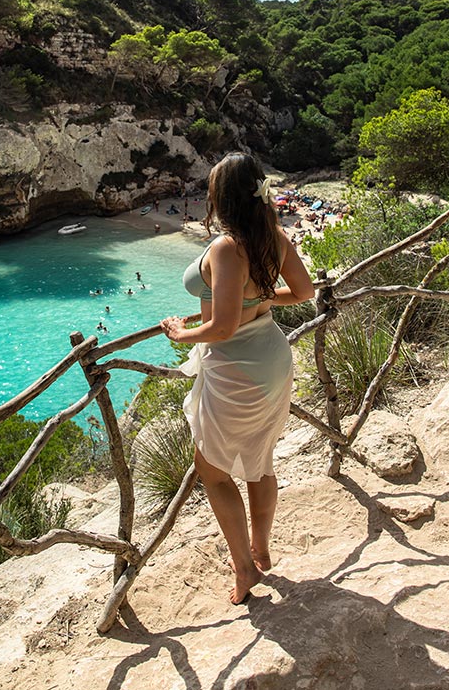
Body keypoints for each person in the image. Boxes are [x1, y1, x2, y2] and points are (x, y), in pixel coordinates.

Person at [161, 153, 314, 605]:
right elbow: (304, 292)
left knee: (213, 472)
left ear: (220, 197)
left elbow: (224, 328)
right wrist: (255, 303)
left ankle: (244, 567)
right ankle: (261, 548)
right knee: (259, 459)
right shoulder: (273, 236)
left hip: (235, 367)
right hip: (270, 354)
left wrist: (180, 332)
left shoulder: (228, 247)